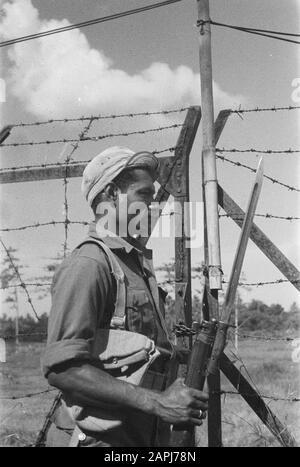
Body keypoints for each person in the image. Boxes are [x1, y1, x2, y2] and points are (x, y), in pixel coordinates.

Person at [42, 146, 208, 447]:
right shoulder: (90, 264)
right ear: (110, 194)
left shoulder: (134, 266)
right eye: (143, 194)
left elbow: (129, 349)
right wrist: (157, 403)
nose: (152, 206)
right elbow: (63, 369)